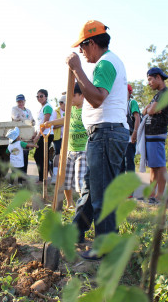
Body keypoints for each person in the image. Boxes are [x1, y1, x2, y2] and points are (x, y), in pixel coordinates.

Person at [66, 20, 129, 260]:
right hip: (104, 133)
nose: (81, 52)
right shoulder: (109, 62)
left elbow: (97, 99)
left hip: (106, 132)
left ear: (91, 43)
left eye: (82, 47)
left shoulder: (106, 63)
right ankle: (76, 232)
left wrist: (76, 69)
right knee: (92, 189)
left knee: (102, 194)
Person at [41, 83, 87, 209]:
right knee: (65, 181)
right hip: (69, 149)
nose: (69, 100)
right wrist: (50, 122)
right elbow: (64, 120)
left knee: (79, 181)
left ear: (82, 96)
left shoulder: (87, 110)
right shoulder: (70, 110)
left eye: (72, 96)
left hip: (83, 150)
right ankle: (69, 203)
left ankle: (84, 206)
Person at [143, 67, 168, 204]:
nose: (149, 83)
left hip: (157, 133)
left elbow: (151, 110)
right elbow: (145, 111)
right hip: (151, 135)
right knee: (154, 166)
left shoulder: (165, 93)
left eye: (150, 79)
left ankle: (159, 196)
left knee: (160, 165)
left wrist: (151, 109)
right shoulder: (157, 95)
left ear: (158, 78)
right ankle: (151, 195)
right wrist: (150, 109)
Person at [32, 89, 56, 183]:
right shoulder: (42, 108)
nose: (39, 98)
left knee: (39, 156)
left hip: (46, 135)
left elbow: (45, 124)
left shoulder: (47, 107)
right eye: (37, 96)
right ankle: (43, 178)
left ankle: (43, 179)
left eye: (41, 96)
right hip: (42, 134)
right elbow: (39, 124)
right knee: (40, 156)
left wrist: (38, 136)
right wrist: (35, 133)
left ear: (46, 96)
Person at [11, 94, 35, 174]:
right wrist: (27, 120)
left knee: (25, 155)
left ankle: (24, 175)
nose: (20, 103)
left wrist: (31, 121)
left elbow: (32, 120)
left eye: (22, 101)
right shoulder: (14, 109)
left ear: (24, 101)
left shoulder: (28, 111)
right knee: (16, 156)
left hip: (27, 136)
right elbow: (16, 118)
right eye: (19, 101)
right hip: (18, 136)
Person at [125, 84, 141, 198]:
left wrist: (135, 132)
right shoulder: (119, 103)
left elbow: (137, 117)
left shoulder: (132, 103)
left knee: (129, 163)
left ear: (129, 92)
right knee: (120, 164)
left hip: (129, 137)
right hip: (120, 137)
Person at [51, 95, 65, 184]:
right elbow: (52, 125)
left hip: (68, 137)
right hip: (57, 137)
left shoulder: (70, 110)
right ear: (60, 103)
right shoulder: (55, 112)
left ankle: (64, 177)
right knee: (58, 154)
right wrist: (63, 123)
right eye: (65, 104)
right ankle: (55, 176)